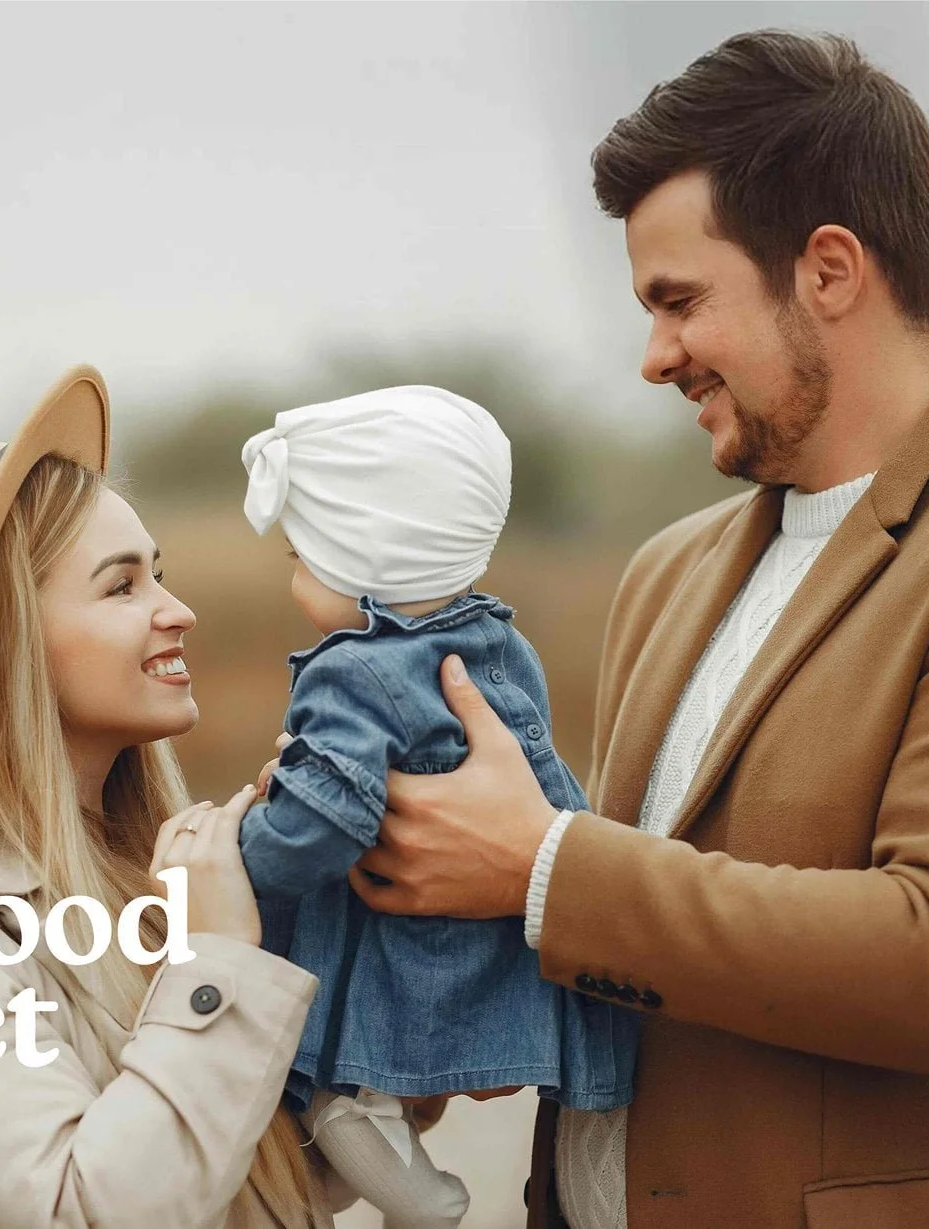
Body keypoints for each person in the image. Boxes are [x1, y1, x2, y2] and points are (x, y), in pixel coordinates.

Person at [345, 31, 929, 1229]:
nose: (652, 356)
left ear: (827, 269)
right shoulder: (663, 573)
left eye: (678, 301)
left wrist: (538, 865)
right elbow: (621, 947)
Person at [0, 367, 354, 1228]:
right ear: (13, 645)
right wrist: (219, 969)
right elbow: (83, 1210)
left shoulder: (155, 867)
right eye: (122, 584)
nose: (177, 610)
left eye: (159, 575)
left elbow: (246, 1178)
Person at [234, 386, 639, 1227]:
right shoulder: (499, 638)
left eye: (304, 553)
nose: (292, 571)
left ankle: (425, 1204)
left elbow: (323, 825)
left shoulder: (350, 671)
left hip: (396, 948)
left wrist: (242, 849)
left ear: (362, 557)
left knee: (341, 1099)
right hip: (484, 943)